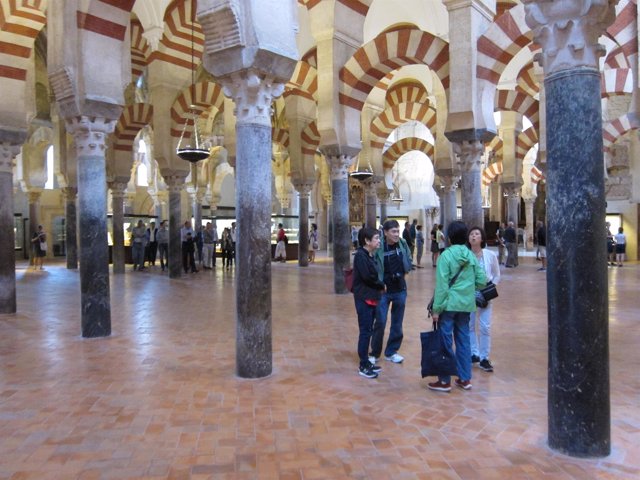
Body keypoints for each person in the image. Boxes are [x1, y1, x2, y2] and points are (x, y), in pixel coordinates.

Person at [428, 221, 486, 392]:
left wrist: (436, 309)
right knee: (463, 341)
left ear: (450, 238)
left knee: (445, 341)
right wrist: (467, 288)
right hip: (466, 305)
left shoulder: (445, 256)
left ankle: (445, 380)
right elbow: (482, 281)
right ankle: (464, 378)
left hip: (448, 305)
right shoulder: (470, 256)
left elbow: (442, 286)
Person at [370, 219, 413, 365]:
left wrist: (405, 271)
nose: (396, 234)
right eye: (393, 231)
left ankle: (391, 352)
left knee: (397, 322)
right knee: (380, 321)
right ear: (386, 232)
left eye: (397, 231)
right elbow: (372, 264)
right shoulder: (379, 246)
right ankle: (375, 353)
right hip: (383, 291)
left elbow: (408, 257)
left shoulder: (402, 244)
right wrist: (378, 282)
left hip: (400, 289)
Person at [352, 227, 386, 379]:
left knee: (369, 329)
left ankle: (366, 361)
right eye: (376, 238)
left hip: (371, 296)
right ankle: (363, 364)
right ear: (366, 241)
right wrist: (380, 284)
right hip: (364, 297)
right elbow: (368, 276)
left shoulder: (369, 255)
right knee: (365, 331)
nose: (379, 241)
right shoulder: (361, 255)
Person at [467, 226, 500, 373]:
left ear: (482, 238)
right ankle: (474, 353)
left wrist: (490, 287)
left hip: (485, 294)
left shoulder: (490, 255)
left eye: (477, 234)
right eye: (472, 234)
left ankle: (484, 357)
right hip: (468, 294)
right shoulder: (466, 255)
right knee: (469, 325)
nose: (474, 236)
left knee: (485, 326)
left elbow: (496, 274)